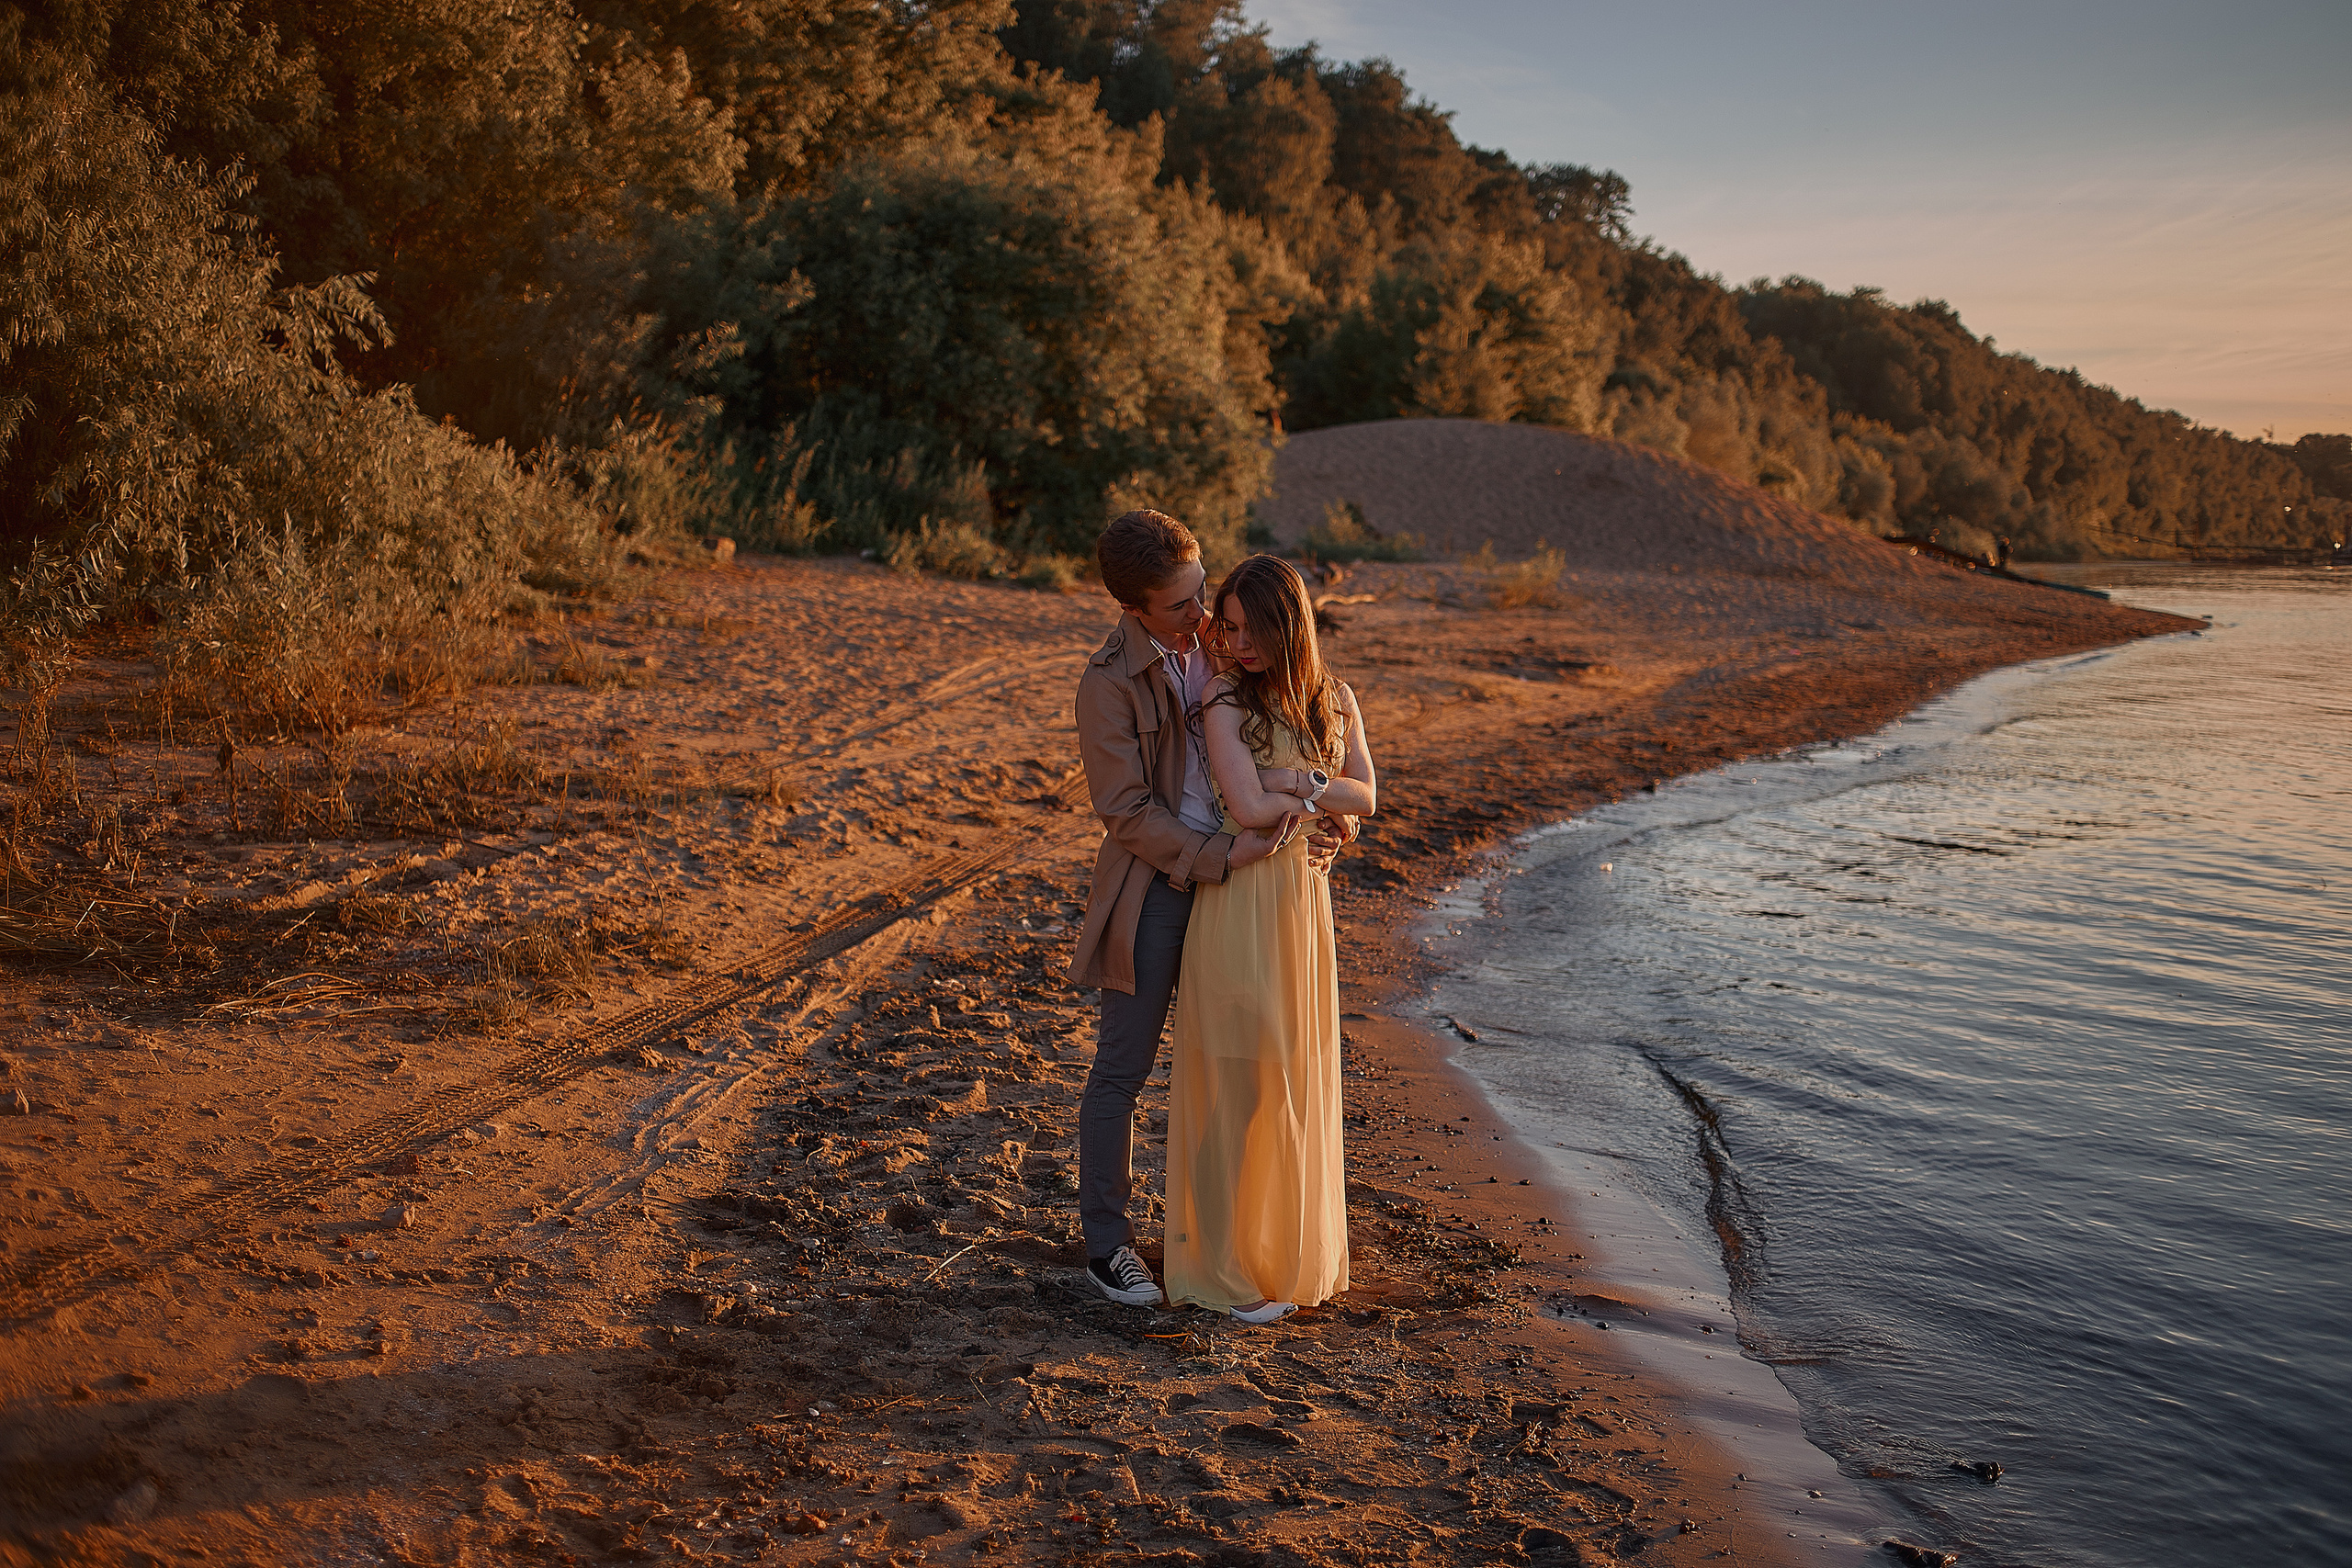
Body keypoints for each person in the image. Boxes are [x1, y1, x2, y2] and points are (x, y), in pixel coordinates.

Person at [1069, 513, 1352, 1309]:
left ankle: (1239, 1246)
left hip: (1251, 890)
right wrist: (1220, 856)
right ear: (1134, 609)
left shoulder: (1232, 646)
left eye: (1202, 595)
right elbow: (1125, 811)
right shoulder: (1108, 682)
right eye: (1180, 608)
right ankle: (1109, 1247)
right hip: (1163, 886)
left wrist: (1336, 823)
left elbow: (1311, 746)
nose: (1200, 618)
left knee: (1252, 1067)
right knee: (1123, 1068)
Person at [1163, 554, 1377, 1325]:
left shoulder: (1335, 698)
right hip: (1241, 904)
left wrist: (1309, 791)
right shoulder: (1222, 695)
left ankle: (1273, 1254)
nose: (1238, 641)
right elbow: (1250, 806)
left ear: (1292, 625)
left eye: (1253, 627)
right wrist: (1304, 790)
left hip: (1302, 911)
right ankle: (1216, 1269)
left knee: (1286, 1083)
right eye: (1228, 625)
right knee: (1236, 1091)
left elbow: (1368, 792)